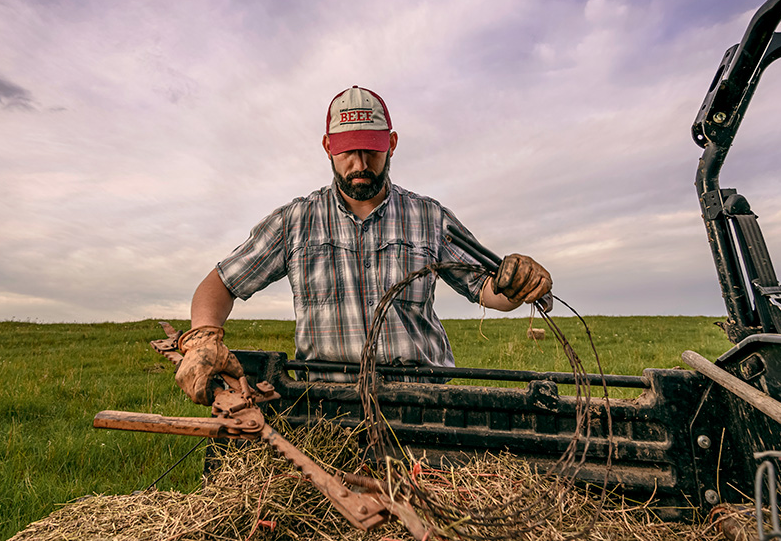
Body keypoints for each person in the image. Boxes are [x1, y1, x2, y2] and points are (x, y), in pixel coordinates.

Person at [175, 86, 553, 404]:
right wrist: (203, 338)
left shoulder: (430, 218)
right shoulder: (294, 222)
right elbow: (220, 284)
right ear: (327, 147)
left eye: (371, 150)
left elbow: (488, 290)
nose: (359, 163)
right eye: (347, 151)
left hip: (421, 401)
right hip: (327, 404)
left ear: (391, 143)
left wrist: (516, 284)